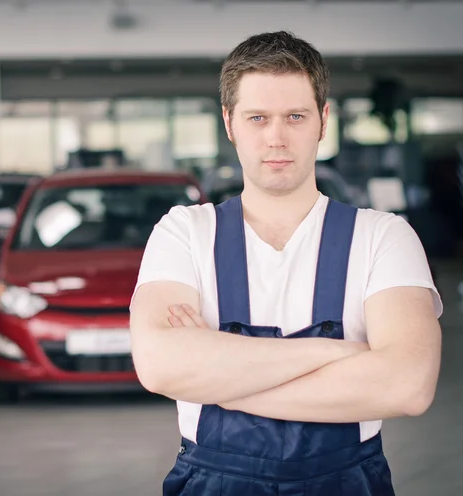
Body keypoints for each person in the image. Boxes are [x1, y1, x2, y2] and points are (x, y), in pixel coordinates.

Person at [129, 31, 443, 496]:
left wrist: (219, 377)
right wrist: (338, 354)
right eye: (258, 118)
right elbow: (159, 367)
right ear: (230, 123)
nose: (276, 137)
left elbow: (407, 386)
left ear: (323, 121)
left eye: (295, 116)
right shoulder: (184, 233)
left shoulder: (382, 237)